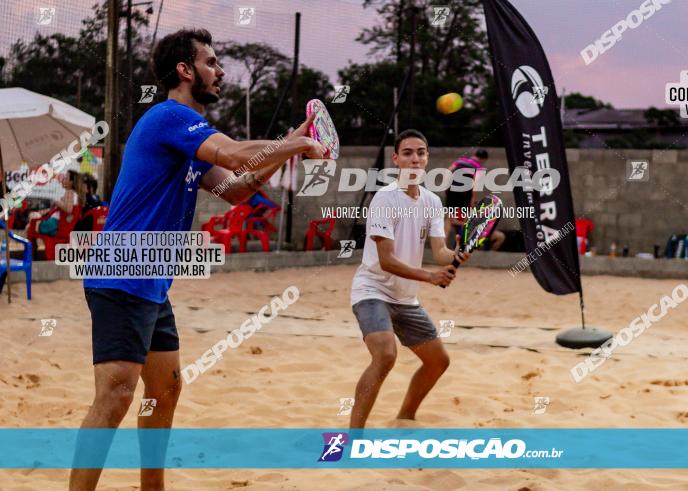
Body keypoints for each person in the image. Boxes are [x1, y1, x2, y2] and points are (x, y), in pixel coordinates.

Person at [70, 28, 324, 491]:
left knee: (165, 389)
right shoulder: (169, 117)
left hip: (152, 281)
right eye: (211, 62)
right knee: (115, 396)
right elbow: (232, 153)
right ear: (185, 71)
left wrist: (291, 142)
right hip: (121, 273)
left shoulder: (188, 141)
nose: (220, 71)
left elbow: (237, 188)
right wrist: (297, 145)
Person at [348, 129, 470, 429]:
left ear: (427, 158)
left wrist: (455, 255)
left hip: (405, 298)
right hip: (372, 290)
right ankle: (353, 436)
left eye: (420, 152)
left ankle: (405, 417)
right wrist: (431, 277)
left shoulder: (431, 202)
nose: (415, 158)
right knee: (386, 355)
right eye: (407, 153)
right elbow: (387, 260)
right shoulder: (384, 199)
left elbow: (439, 251)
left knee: (439, 361)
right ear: (396, 160)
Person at [444, 148, 505, 250]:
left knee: (448, 220)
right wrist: (473, 199)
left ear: (475, 154)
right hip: (465, 193)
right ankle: (463, 248)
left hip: (452, 191)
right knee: (466, 222)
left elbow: (448, 171)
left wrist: (446, 187)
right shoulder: (478, 167)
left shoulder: (460, 160)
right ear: (483, 159)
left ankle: (443, 246)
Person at [28, 169, 80, 238]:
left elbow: (68, 209)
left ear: (71, 182)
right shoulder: (70, 193)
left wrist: (56, 201)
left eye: (66, 177)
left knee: (29, 226)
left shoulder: (70, 193)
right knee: (32, 222)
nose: (63, 178)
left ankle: (31, 248)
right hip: (55, 224)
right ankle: (32, 247)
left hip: (55, 225)